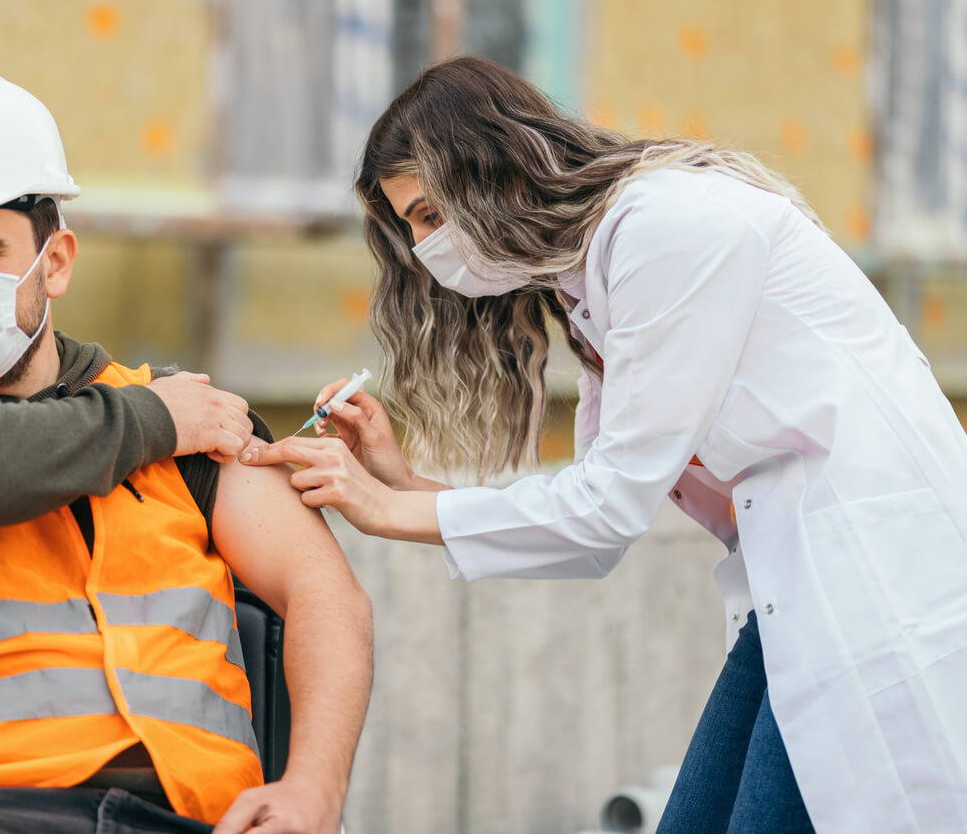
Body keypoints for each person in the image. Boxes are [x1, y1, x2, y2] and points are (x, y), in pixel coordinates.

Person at [241, 56, 967, 831]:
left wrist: (385, 509)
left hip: (871, 579)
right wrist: (402, 482)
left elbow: (607, 509)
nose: (425, 249)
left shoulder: (665, 230)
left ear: (491, 171)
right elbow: (591, 527)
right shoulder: (589, 278)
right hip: (798, 586)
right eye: (412, 227)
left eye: (427, 215)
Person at [0, 66, 373, 834]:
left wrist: (312, 791)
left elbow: (324, 594)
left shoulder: (186, 417)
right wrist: (149, 423)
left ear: (57, 261)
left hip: (187, 819)